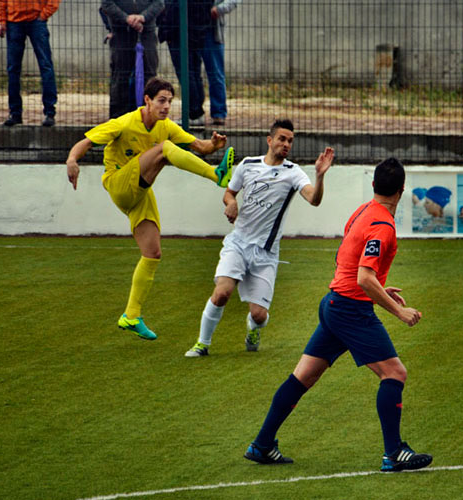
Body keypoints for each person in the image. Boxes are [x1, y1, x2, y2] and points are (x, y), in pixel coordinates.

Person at [243, 158, 433, 473]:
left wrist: (382, 291)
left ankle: (262, 444)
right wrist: (398, 310)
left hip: (334, 303)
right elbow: (364, 278)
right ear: (401, 191)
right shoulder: (383, 226)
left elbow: (350, 259)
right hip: (350, 310)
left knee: (303, 376)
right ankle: (394, 453)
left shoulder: (362, 211)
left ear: (374, 186)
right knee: (395, 374)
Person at [65, 78, 235, 340]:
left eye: (170, 101)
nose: (166, 106)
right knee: (164, 150)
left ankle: (131, 316)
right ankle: (217, 175)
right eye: (161, 100)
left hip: (139, 192)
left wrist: (214, 144)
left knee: (152, 253)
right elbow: (85, 142)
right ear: (147, 100)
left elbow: (199, 147)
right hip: (119, 183)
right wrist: (72, 160)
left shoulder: (166, 126)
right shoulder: (124, 122)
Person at [184, 119, 335, 357]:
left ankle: (253, 328)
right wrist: (232, 202)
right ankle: (202, 344)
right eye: (282, 139)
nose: (286, 144)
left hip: (265, 254)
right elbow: (229, 193)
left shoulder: (293, 173)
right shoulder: (247, 165)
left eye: (290, 141)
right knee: (222, 292)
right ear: (270, 140)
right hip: (238, 244)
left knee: (259, 315)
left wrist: (320, 176)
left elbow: (314, 200)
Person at [0, 0, 59, 127]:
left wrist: (43, 15)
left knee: (45, 66)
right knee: (13, 68)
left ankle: (49, 112)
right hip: (14, 22)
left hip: (36, 21)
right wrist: (2, 21)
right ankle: (15, 113)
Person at [101, 0, 165, 119]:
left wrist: (143, 17)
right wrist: (126, 19)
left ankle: (149, 116)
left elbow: (159, 3)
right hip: (121, 34)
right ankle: (118, 121)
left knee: (149, 77)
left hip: (147, 34)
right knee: (120, 78)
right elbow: (106, 4)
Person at [158, 0, 213, 127]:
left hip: (181, 33)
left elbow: (175, 8)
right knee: (193, 72)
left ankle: (194, 113)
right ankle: (196, 112)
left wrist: (166, 29)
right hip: (197, 32)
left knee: (186, 73)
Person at [198, 0, 241, 126]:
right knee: (191, 73)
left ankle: (218, 113)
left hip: (212, 29)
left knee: (215, 73)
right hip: (192, 28)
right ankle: (193, 112)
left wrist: (218, 9)